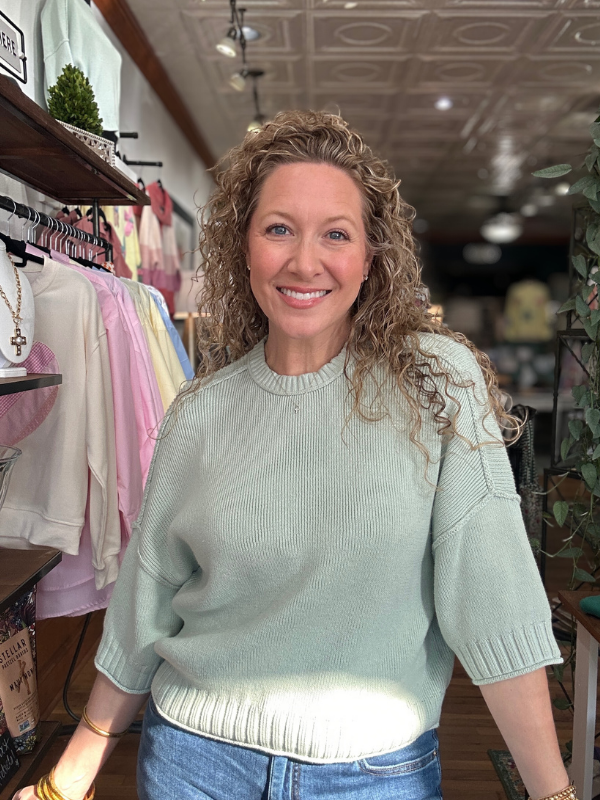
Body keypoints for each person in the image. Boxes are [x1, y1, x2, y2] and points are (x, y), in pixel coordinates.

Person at [16, 110, 574, 800]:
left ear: (370, 258)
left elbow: (495, 601)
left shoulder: (438, 385)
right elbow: (144, 601)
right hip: (195, 763)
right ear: (244, 248)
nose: (304, 261)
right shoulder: (199, 411)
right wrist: (72, 773)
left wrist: (554, 792)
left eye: (335, 235)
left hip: (375, 776)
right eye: (278, 228)